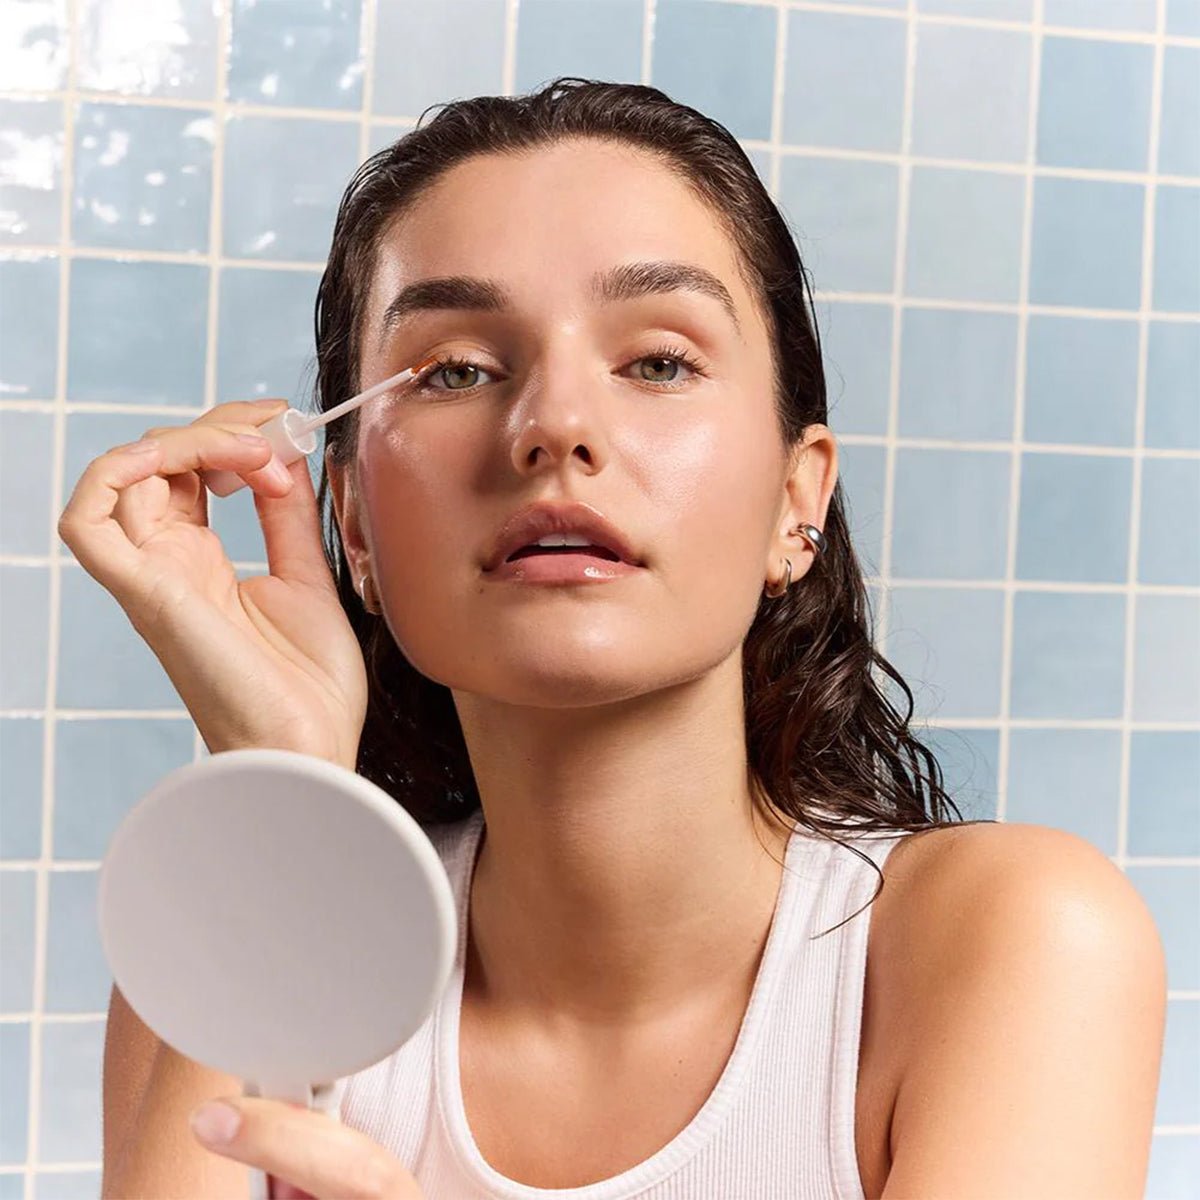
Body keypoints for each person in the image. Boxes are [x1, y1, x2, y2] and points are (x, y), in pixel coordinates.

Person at [64, 79, 1166, 1200]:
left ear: (801, 500)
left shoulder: (1010, 944)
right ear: (350, 521)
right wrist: (277, 776)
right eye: (453, 370)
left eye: (658, 362)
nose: (553, 427)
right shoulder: (227, 935)